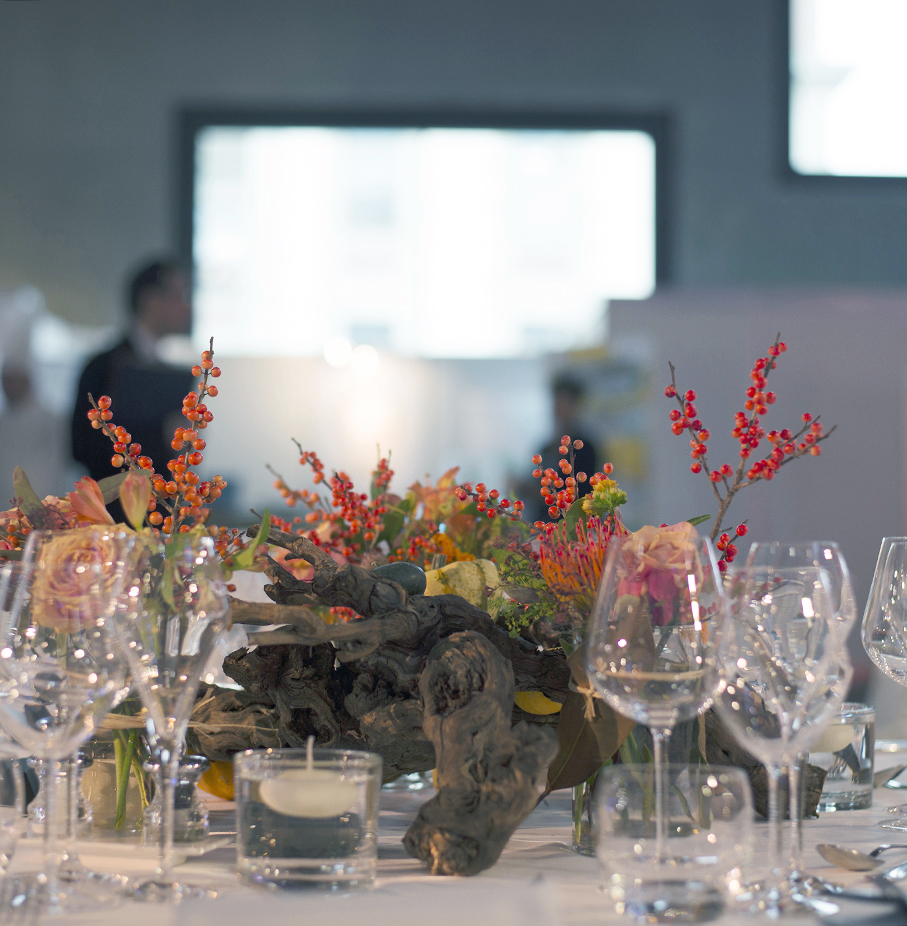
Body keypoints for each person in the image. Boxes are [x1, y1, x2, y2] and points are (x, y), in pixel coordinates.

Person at [70, 259, 194, 482]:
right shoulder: (103, 368)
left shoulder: (166, 372)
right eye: (179, 296)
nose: (187, 308)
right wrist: (162, 436)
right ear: (151, 300)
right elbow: (82, 446)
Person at [520, 372, 600, 523]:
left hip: (574, 527)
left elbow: (580, 496)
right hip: (545, 527)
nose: (560, 408)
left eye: (565, 403)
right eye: (557, 402)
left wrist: (536, 492)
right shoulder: (546, 448)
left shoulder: (585, 448)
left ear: (576, 406)